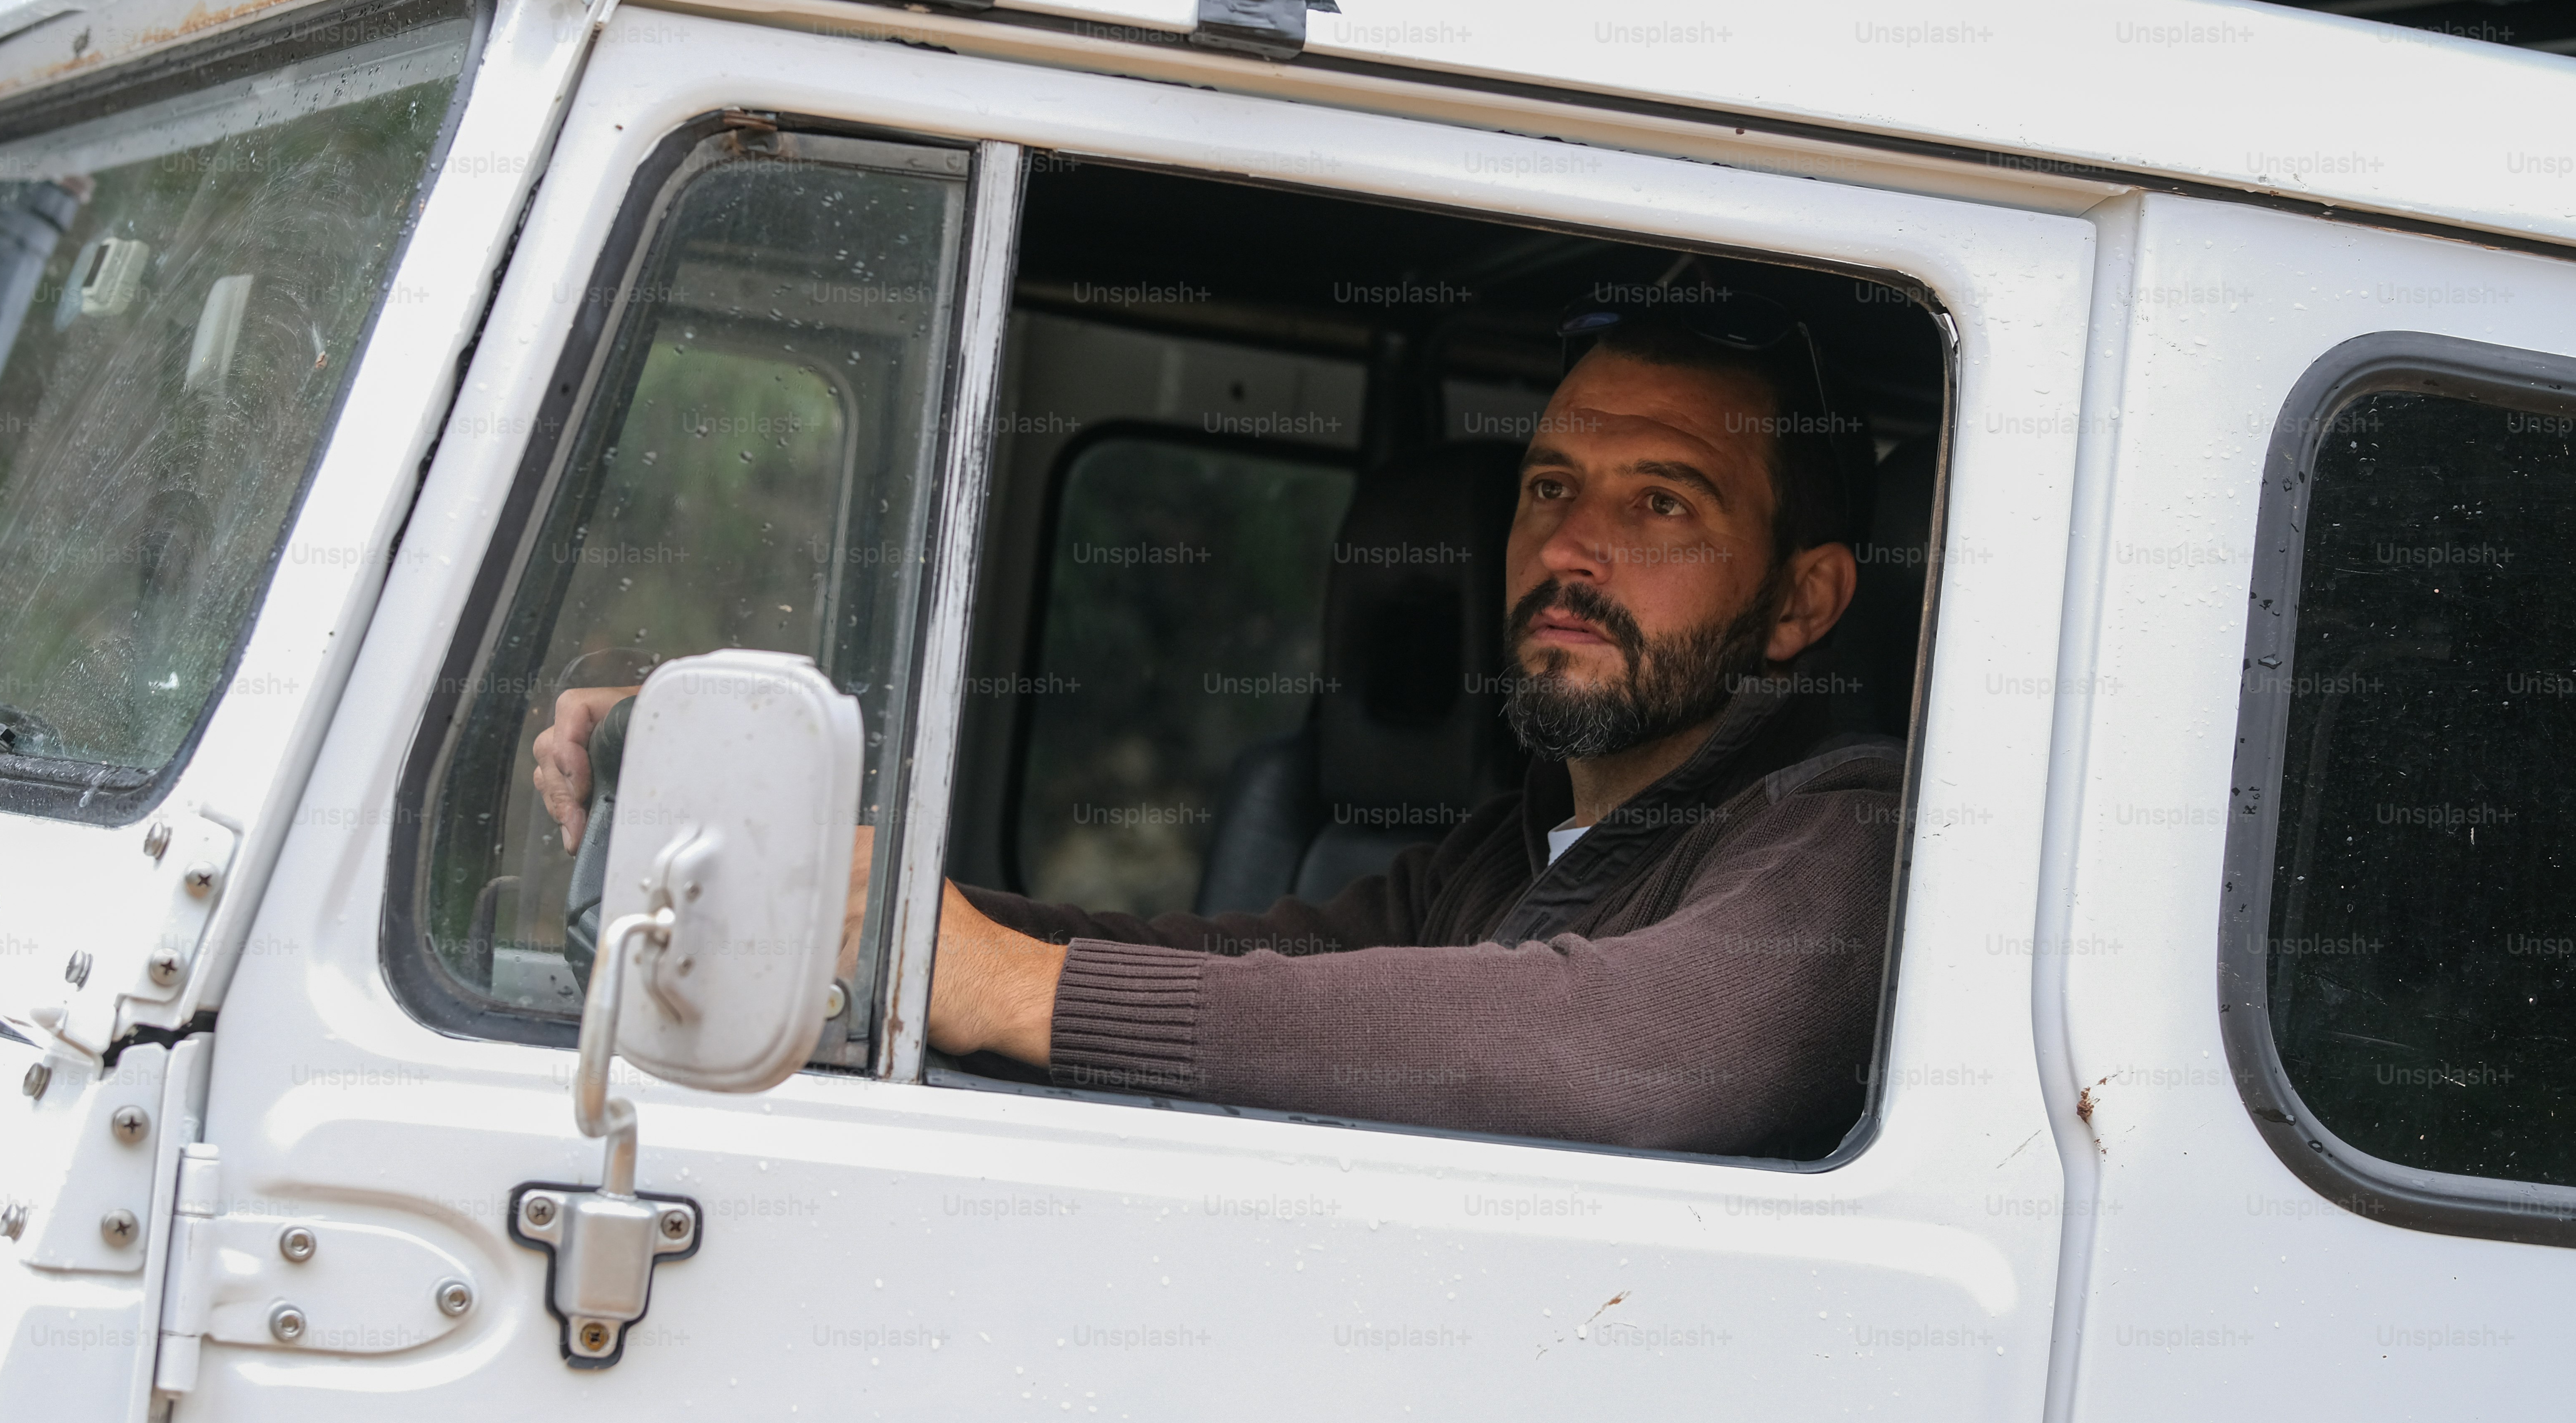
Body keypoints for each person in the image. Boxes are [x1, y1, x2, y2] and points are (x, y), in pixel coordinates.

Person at [536, 303, 1903, 1156]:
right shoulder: (1519, 847)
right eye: (1551, 486)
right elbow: (1259, 959)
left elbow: (1631, 1052)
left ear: (1802, 601)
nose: (1572, 548)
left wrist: (1015, 990)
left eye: (1662, 505)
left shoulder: (1848, 833)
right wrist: (861, 904)